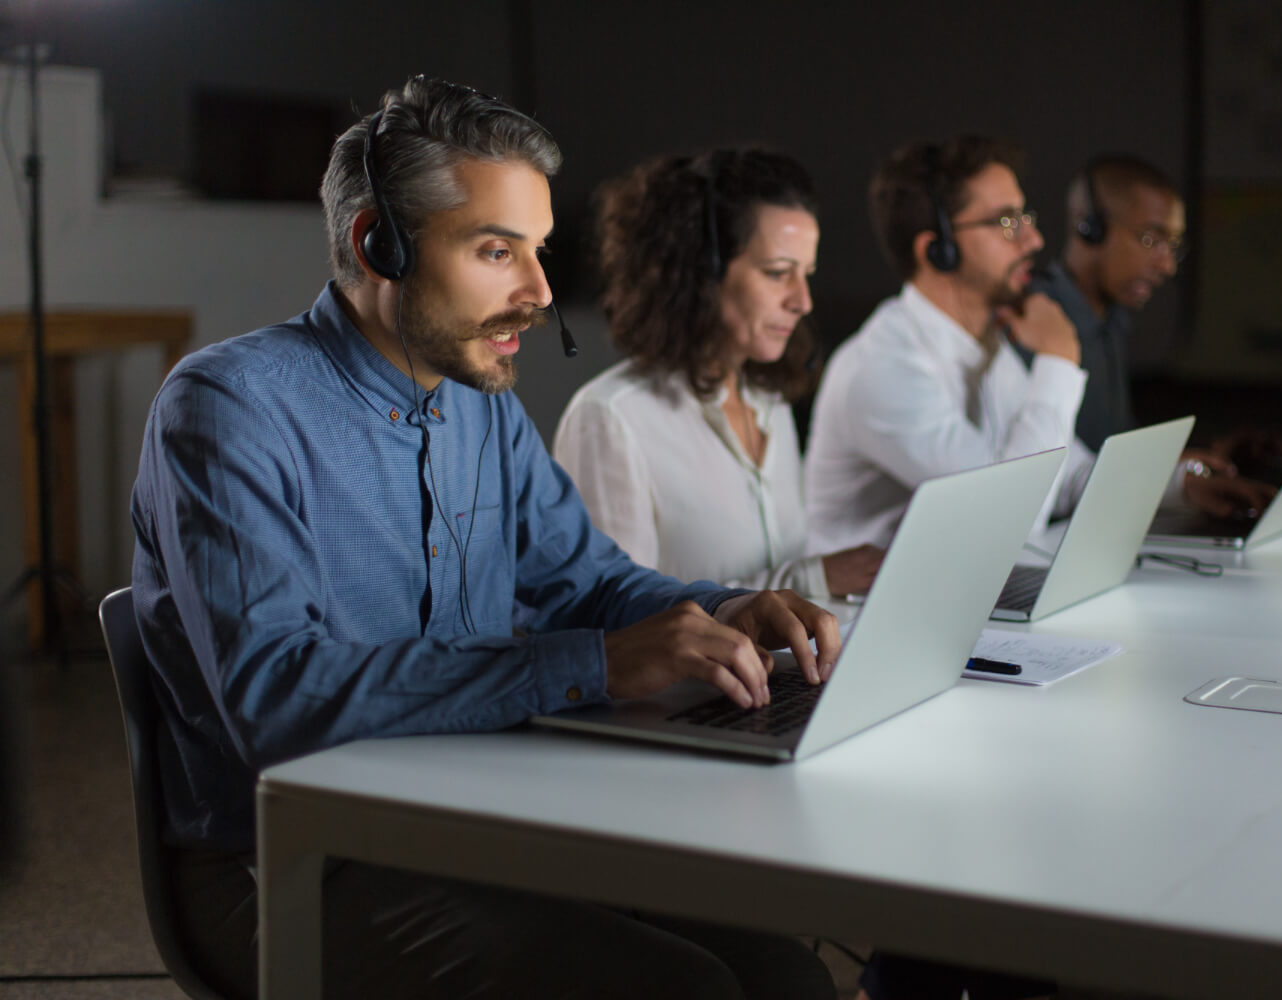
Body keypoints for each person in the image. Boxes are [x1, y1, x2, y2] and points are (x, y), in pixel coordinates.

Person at [130, 76, 839, 1000]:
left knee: (787, 975)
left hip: (468, 818)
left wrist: (726, 610)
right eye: (497, 250)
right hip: (293, 863)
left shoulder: (479, 402)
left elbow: (589, 583)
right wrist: (590, 663)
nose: (541, 293)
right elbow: (277, 703)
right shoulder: (229, 407)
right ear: (376, 245)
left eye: (539, 252)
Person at [554, 148, 882, 598]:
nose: (802, 301)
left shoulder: (770, 403)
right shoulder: (610, 419)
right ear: (700, 274)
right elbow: (616, 622)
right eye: (777, 272)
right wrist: (812, 581)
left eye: (806, 274)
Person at [805, 134, 1092, 553]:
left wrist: (1182, 485)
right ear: (938, 250)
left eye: (1024, 217)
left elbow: (1067, 475)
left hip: (948, 590)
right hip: (857, 613)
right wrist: (1058, 361)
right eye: (1007, 222)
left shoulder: (985, 344)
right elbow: (1010, 518)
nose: (1034, 240)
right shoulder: (881, 366)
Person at [1032, 155, 1277, 515]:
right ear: (1090, 227)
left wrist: (1189, 463)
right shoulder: (1036, 322)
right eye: (1151, 239)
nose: (1167, 265)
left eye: (1173, 246)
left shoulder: (1109, 320)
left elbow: (1106, 451)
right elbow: (1051, 473)